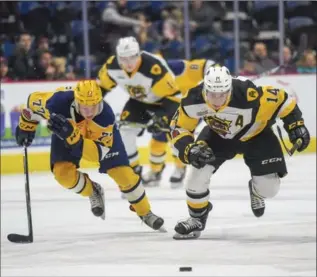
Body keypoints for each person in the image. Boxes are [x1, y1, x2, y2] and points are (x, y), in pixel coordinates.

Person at [170, 65, 310, 240]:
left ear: (229, 89)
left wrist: (296, 125)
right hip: (217, 135)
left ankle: (257, 190)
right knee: (194, 176)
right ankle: (197, 218)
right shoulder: (193, 98)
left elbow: (283, 100)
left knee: (269, 190)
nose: (217, 100)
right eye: (212, 94)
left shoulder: (248, 94)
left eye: (222, 94)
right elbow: (179, 128)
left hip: (256, 134)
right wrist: (189, 149)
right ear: (205, 89)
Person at [15, 80, 165, 231]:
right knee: (63, 175)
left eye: (93, 105)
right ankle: (93, 191)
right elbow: (31, 106)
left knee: (124, 175)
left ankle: (145, 213)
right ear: (76, 100)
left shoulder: (105, 116)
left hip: (89, 141)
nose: (89, 112)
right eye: (84, 106)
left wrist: (73, 136)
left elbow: (96, 155)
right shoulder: (57, 103)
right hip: (66, 133)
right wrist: (25, 125)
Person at [97, 36, 186, 188]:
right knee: (125, 132)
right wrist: (92, 108)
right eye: (124, 59)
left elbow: (174, 97)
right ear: (118, 57)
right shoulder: (111, 66)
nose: (128, 63)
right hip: (139, 103)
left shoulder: (153, 67)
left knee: (174, 133)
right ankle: (134, 172)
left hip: (166, 102)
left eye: (132, 57)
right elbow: (101, 89)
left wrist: (162, 118)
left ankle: (180, 166)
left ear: (139, 54)